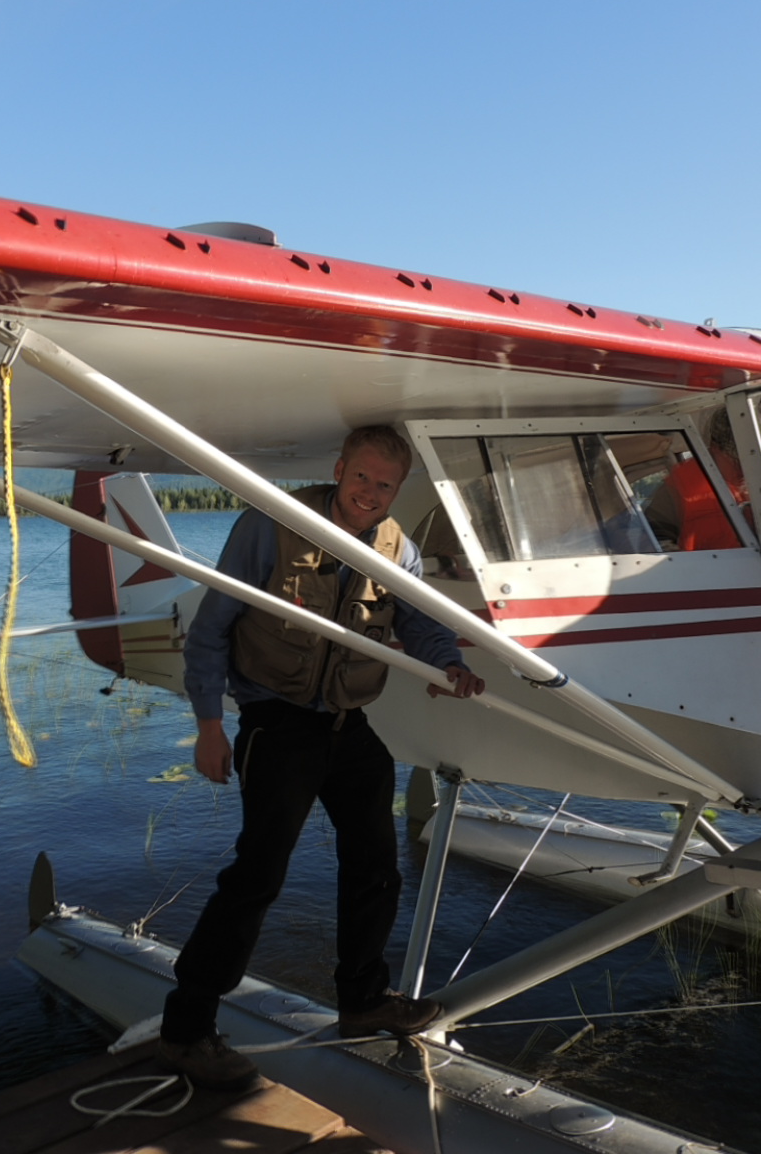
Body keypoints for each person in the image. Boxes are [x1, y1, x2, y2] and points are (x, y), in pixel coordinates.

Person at [159, 425, 485, 1090]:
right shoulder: (271, 526)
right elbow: (212, 628)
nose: (370, 493)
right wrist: (209, 726)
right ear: (340, 469)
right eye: (361, 477)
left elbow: (418, 622)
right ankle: (187, 1028)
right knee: (258, 876)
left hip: (346, 723)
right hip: (275, 721)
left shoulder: (400, 550)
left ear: (398, 490)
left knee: (376, 865)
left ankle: (362, 998)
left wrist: (445, 662)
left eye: (384, 485)